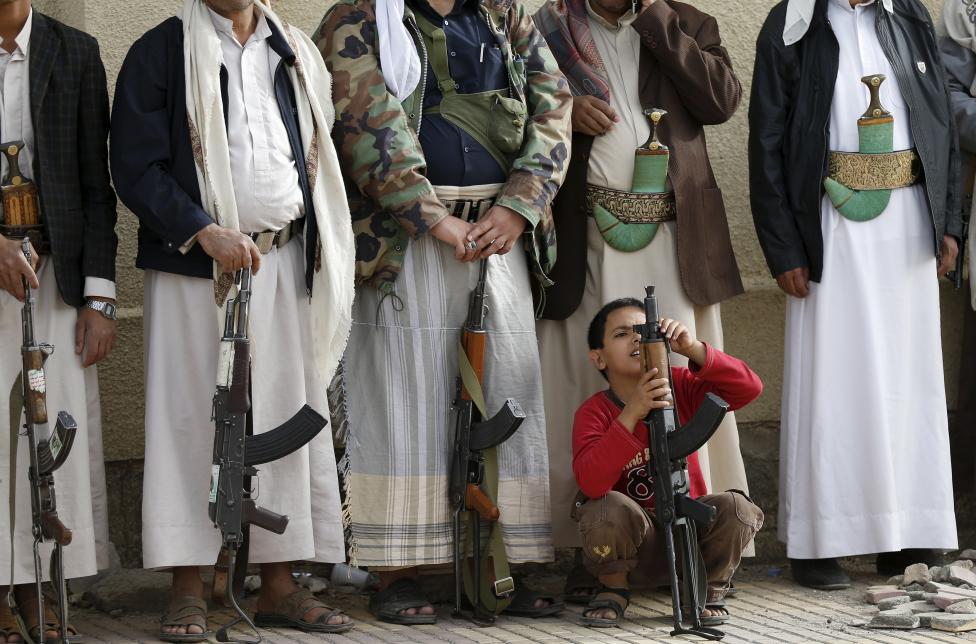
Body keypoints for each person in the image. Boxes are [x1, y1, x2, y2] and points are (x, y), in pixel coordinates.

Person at [315, 0, 571, 623]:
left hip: (498, 231)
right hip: (405, 244)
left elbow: (553, 107)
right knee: (404, 400)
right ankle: (398, 569)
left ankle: (506, 560)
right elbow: (364, 123)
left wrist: (519, 206)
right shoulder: (358, 18)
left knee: (509, 390)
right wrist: (434, 220)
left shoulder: (504, 16)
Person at [111, 0, 356, 639]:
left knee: (284, 412)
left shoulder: (294, 51)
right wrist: (203, 230)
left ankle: (278, 584)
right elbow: (134, 168)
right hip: (194, 267)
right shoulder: (161, 51)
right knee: (190, 417)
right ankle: (189, 585)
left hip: (284, 261)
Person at [531, 0, 753, 603]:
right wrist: (562, 109)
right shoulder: (546, 27)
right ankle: (593, 547)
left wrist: (657, 20)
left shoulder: (686, 23)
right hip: (587, 245)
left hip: (676, 246)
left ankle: (700, 536)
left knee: (682, 370)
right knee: (584, 379)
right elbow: (512, 107)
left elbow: (720, 101)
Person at [750, 0, 961, 590]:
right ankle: (822, 542)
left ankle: (908, 535)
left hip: (907, 227)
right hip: (831, 231)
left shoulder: (908, 16)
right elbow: (765, 138)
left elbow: (937, 118)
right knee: (834, 382)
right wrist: (784, 247)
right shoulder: (791, 25)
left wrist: (949, 220)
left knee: (908, 382)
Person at [0, 1, 116, 641]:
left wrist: (100, 301)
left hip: (55, 278)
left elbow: (97, 188)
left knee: (47, 441)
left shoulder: (75, 51)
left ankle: (38, 584)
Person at [571, 298, 763, 628]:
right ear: (598, 358)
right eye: (621, 333)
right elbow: (591, 482)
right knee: (605, 507)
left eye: (644, 331)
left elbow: (749, 388)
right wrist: (632, 412)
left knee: (737, 507)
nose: (635, 339)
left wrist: (693, 349)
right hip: (633, 549)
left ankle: (708, 589)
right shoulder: (594, 412)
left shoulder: (681, 387)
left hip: (691, 542)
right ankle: (614, 590)